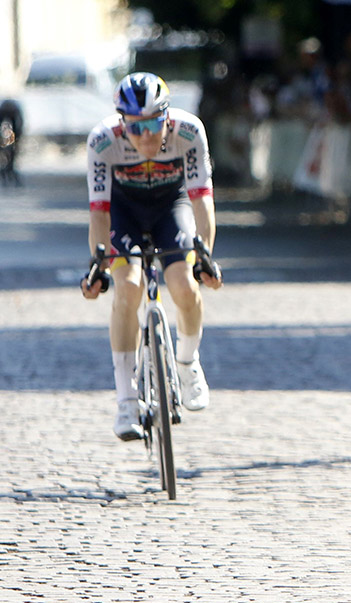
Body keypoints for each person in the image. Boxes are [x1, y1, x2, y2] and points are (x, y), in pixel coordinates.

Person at [81, 72, 221, 441]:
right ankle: (126, 400)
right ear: (121, 123)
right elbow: (99, 213)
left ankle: (188, 362)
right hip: (123, 212)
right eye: (134, 127)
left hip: (169, 208)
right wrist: (98, 264)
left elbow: (202, 201)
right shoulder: (102, 140)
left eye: (154, 124)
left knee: (184, 287)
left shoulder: (188, 132)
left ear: (168, 117)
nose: (145, 135)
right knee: (128, 288)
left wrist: (205, 254)